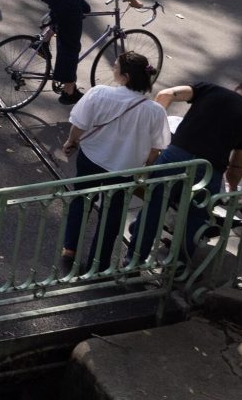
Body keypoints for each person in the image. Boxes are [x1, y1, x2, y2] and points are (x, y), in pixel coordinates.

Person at [132, 78, 242, 263]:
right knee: (194, 219)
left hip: (174, 157)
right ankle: (178, 266)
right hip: (207, 172)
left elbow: (166, 94)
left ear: (238, 87)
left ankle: (133, 260)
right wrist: (232, 189)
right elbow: (236, 166)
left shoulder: (210, 89)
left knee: (154, 206)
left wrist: (155, 131)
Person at [59, 50, 167, 270]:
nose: (113, 69)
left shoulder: (99, 94)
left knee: (81, 200)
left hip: (91, 158)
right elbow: (157, 147)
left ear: (125, 76)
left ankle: (69, 248)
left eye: (116, 66)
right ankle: (99, 262)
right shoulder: (155, 111)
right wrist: (144, 166)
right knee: (112, 213)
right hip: (124, 169)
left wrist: (72, 141)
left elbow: (79, 123)